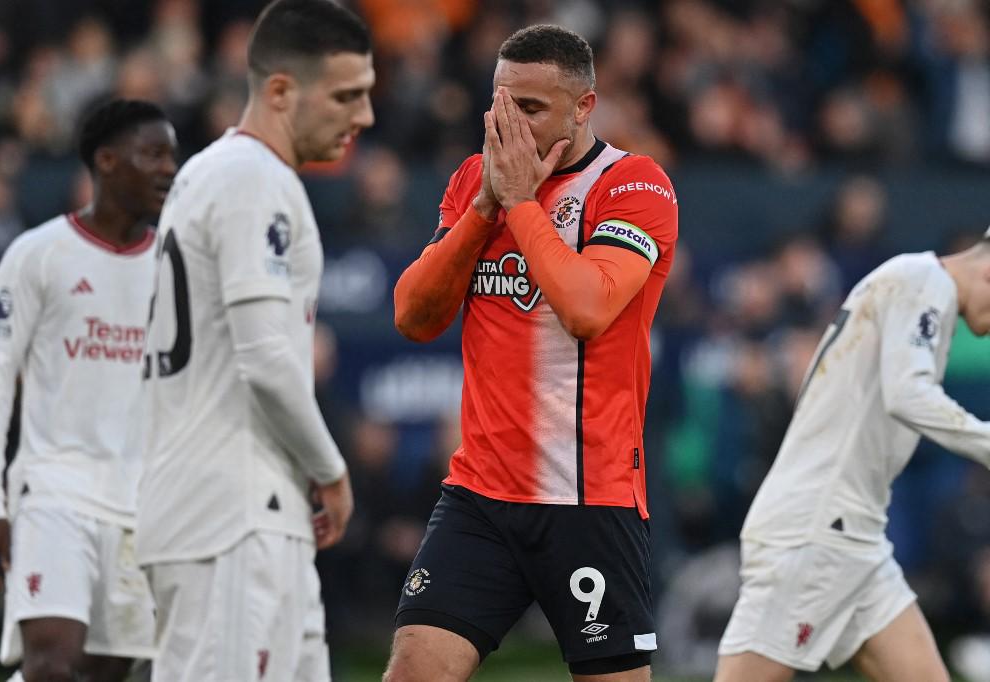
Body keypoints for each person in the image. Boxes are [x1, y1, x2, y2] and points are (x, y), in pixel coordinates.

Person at [387, 24, 679, 682]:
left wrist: (519, 203)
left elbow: (586, 309)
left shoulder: (634, 185)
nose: (506, 123)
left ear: (583, 107)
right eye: (499, 102)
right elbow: (413, 316)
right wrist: (486, 205)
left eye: (530, 108)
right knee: (413, 671)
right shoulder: (473, 182)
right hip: (480, 493)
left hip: (588, 499)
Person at [134, 1, 373, 680]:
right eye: (347, 95)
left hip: (244, 508)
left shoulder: (210, 175)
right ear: (279, 91)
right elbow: (266, 359)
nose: (364, 117)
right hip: (231, 519)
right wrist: (330, 468)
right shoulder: (253, 179)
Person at [714, 234, 990, 682]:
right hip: (815, 532)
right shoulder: (924, 283)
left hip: (854, 534)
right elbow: (909, 395)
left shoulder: (911, 284)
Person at [0, 98, 176, 681]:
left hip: (140, 505)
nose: (168, 168)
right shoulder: (38, 255)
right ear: (106, 161)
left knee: (102, 675)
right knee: (53, 665)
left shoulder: (172, 265)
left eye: (172, 155)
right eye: (152, 153)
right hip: (52, 491)